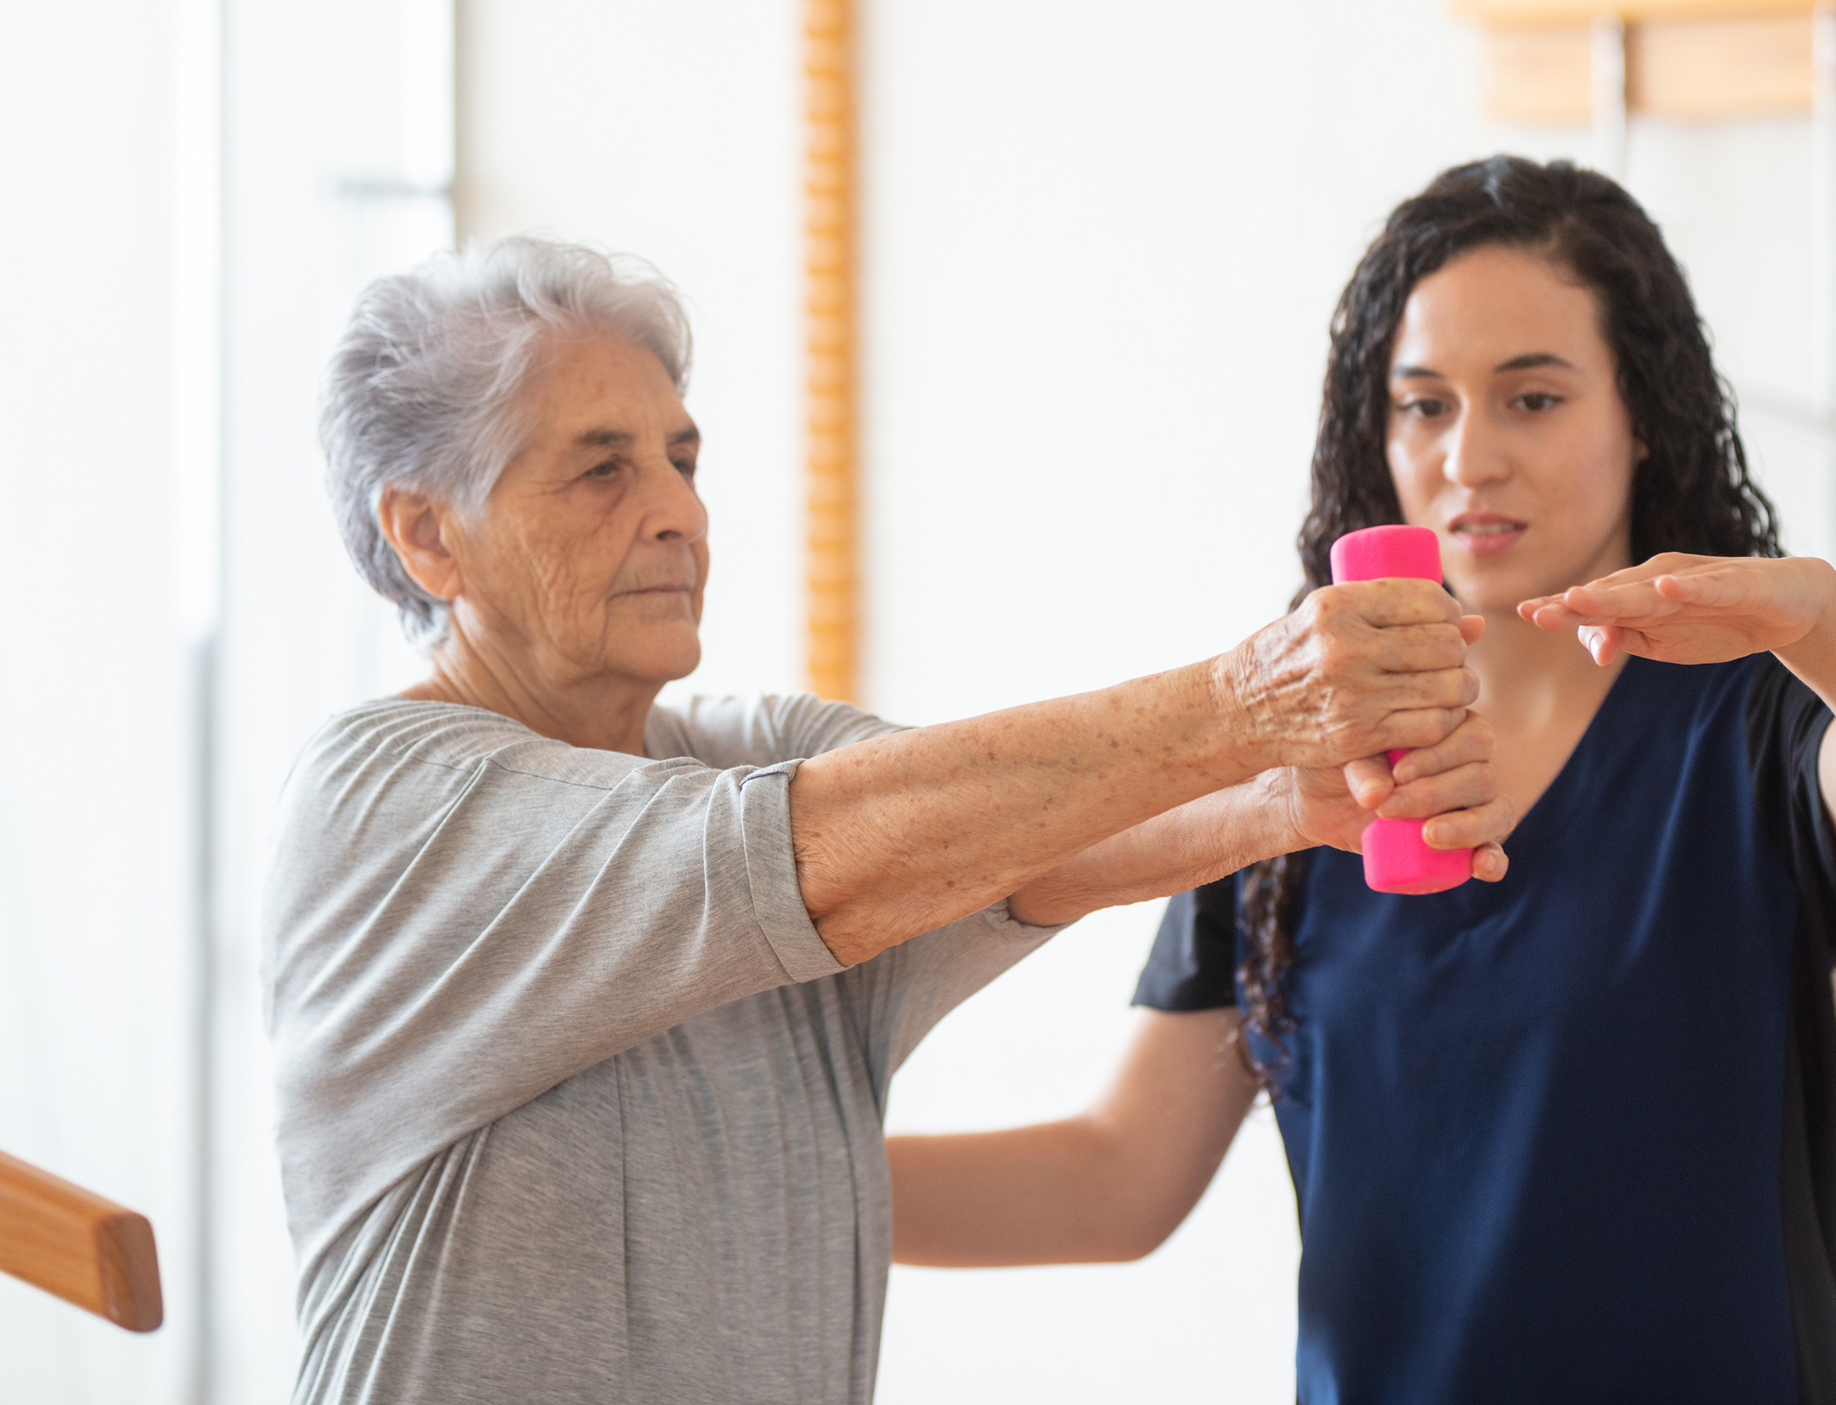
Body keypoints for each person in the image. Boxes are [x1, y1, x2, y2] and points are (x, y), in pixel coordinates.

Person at [261, 235, 1513, 1404]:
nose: (680, 514)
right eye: (603, 468)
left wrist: (1280, 801)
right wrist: (1246, 705)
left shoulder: (758, 752)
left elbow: (1002, 843)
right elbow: (806, 855)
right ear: (429, 534)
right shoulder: (382, 802)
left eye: (683, 460)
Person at [885, 156, 1836, 1404]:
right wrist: (762, 1169)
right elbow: (1115, 1177)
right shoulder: (1300, 779)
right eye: (1423, 406)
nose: (1467, 458)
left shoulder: (1753, 730)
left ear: (1640, 413)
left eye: (1532, 400)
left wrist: (1817, 614)